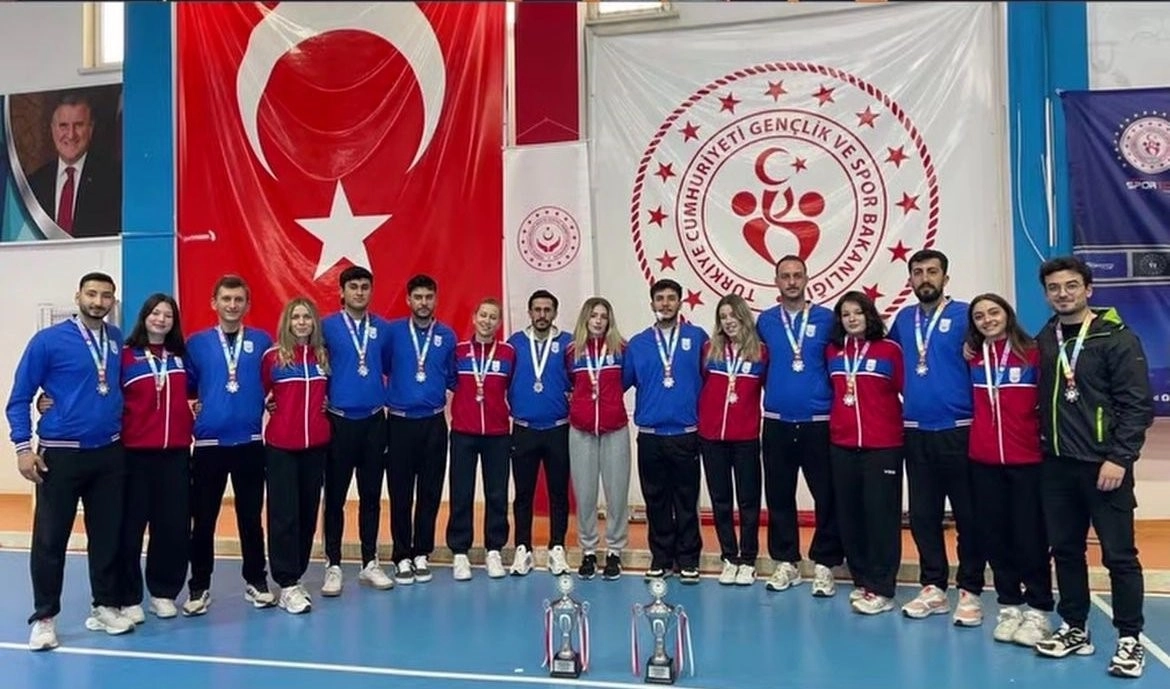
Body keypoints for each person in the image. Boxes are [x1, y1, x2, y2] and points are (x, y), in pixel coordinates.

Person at [1032, 256, 1153, 679]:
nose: (1062, 293)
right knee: (1066, 551)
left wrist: (1119, 457)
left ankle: (1129, 639)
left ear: (1088, 290)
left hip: (1104, 467)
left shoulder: (1117, 339)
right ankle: (1075, 627)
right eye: (1053, 288)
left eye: (1070, 285)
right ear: (1046, 294)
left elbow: (1137, 406)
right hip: (1056, 466)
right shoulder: (1046, 337)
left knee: (1119, 556)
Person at [7, 272, 133, 650]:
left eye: (106, 296)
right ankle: (45, 617)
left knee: (107, 536)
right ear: (78, 296)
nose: (98, 302)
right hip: (59, 455)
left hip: (108, 453)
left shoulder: (116, 339)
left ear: (113, 301)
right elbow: (20, 397)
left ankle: (104, 605)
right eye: (91, 294)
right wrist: (23, 448)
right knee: (50, 539)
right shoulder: (47, 341)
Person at [887, 249, 984, 625]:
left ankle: (970, 589)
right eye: (918, 272)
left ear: (946, 277)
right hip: (915, 432)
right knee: (923, 516)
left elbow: (990, 351)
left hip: (960, 429)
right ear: (910, 279)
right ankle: (933, 587)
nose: (924, 278)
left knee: (968, 516)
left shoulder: (966, 316)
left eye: (932, 271)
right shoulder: (903, 319)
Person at [182, 275, 276, 615]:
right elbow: (186, 386)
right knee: (203, 520)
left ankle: (256, 580)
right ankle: (199, 586)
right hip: (209, 445)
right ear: (214, 302)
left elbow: (274, 381)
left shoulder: (263, 341)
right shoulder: (196, 343)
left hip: (250, 443)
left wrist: (275, 401)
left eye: (238, 299)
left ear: (247, 305)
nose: (232, 305)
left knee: (250, 518)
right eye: (226, 299)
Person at [964, 293, 1053, 646]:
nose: (987, 319)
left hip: (1027, 461)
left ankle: (1039, 609)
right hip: (984, 461)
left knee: (1031, 538)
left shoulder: (1033, 353)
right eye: (980, 316)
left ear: (1007, 315)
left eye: (993, 312)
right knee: (995, 537)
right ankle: (1009, 605)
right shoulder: (972, 357)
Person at [756, 255, 842, 595]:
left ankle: (825, 564)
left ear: (807, 279)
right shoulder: (765, 321)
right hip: (776, 421)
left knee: (827, 495)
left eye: (797, 275)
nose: (791, 282)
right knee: (779, 495)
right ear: (776, 281)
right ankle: (786, 561)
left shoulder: (828, 319)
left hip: (818, 421)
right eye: (785, 276)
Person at [622, 278, 709, 583]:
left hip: (686, 432)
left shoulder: (698, 338)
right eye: (660, 299)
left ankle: (688, 559)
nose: (666, 304)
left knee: (686, 500)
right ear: (652, 304)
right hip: (650, 435)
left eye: (671, 298)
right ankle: (661, 558)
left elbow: (713, 379)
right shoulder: (638, 343)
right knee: (656, 500)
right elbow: (619, 383)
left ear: (680, 303)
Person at [826, 291, 905, 615]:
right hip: (843, 445)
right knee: (851, 515)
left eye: (858, 312)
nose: (852, 319)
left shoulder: (890, 350)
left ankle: (882, 587)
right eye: (846, 314)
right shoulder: (833, 351)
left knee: (881, 517)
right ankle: (862, 579)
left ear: (869, 315)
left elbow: (904, 388)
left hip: (883, 446)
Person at [115, 294, 193, 623]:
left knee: (172, 527)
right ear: (144, 317)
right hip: (134, 455)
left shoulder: (182, 358)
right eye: (155, 313)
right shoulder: (125, 357)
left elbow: (203, 390)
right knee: (130, 528)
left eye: (168, 315)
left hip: (175, 455)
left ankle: (163, 592)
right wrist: (47, 400)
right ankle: (129, 597)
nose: (161, 319)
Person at [319, 266, 393, 595]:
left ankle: (369, 562)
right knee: (335, 497)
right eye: (353, 287)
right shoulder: (326, 327)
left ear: (371, 291)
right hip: (338, 421)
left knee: (371, 496)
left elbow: (387, 365)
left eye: (365, 287)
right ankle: (333, 564)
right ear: (342, 292)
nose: (359, 292)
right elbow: (314, 365)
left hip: (374, 422)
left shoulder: (384, 329)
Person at [384, 274, 457, 585]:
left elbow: (452, 376)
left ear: (435, 300)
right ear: (408, 300)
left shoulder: (448, 336)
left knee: (430, 491)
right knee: (400, 492)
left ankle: (421, 552)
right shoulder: (392, 333)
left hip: (434, 423)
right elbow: (382, 366)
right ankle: (401, 554)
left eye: (428, 297)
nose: (423, 303)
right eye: (418, 297)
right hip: (399, 422)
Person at [261, 298, 331, 614]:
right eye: (296, 317)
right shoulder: (273, 358)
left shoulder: (323, 357)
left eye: (307, 317)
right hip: (281, 448)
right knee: (284, 516)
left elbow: (329, 394)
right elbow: (259, 392)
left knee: (307, 514)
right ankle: (286, 582)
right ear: (287, 322)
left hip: (315, 447)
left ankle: (297, 575)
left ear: (314, 323)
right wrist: (269, 403)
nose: (302, 322)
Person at [699, 294, 767, 586]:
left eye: (733, 315)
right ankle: (729, 557)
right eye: (723, 317)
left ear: (744, 317)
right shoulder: (709, 350)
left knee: (748, 500)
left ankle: (748, 559)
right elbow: (702, 386)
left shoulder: (761, 353)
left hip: (746, 438)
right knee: (721, 499)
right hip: (712, 436)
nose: (728, 322)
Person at [447, 299, 515, 580]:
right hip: (463, 431)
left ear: (499, 323)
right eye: (483, 315)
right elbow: (451, 383)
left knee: (497, 493)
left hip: (498, 434)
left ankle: (494, 550)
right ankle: (460, 552)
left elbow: (513, 387)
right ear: (474, 318)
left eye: (493, 317)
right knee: (461, 492)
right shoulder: (459, 351)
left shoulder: (509, 353)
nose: (487, 321)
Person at [506, 290, 573, 576]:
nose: (542, 315)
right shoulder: (515, 343)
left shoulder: (568, 343)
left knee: (559, 492)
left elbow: (579, 378)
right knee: (523, 493)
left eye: (547, 310)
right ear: (529, 312)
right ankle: (523, 548)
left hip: (558, 428)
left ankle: (557, 547)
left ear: (555, 313)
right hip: (524, 429)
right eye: (537, 309)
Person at [566, 297, 631, 580]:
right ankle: (589, 551)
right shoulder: (572, 352)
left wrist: (609, 404)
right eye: (594, 315)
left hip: (615, 428)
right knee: (585, 494)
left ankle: (615, 551)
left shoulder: (621, 350)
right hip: (581, 430)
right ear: (585, 318)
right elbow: (568, 383)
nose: (598, 320)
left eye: (604, 316)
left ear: (609, 320)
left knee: (617, 494)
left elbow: (626, 381)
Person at [27, 93, 121, 237]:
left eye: (78, 125)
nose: (71, 135)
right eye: (63, 126)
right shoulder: (34, 185)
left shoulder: (113, 181)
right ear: (52, 129)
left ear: (90, 129)